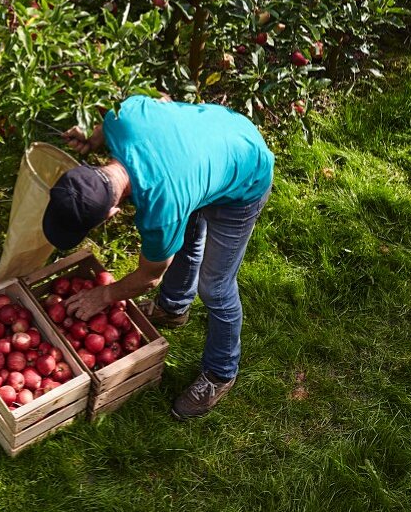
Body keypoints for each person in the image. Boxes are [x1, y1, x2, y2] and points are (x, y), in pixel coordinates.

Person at [41, 94, 274, 418]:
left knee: (216, 287)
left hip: (246, 172)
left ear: (112, 213)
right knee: (188, 236)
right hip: (216, 139)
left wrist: (105, 294)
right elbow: (160, 101)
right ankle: (174, 309)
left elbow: (151, 274)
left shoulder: (161, 211)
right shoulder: (120, 119)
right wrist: (94, 137)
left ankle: (221, 373)